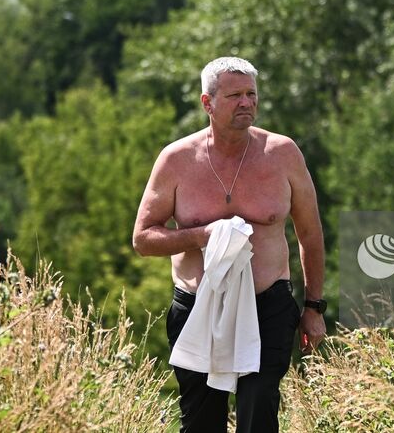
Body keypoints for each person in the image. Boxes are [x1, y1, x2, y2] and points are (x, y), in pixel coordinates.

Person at [133, 56, 326, 433]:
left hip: (267, 302)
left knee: (259, 410)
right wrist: (201, 235)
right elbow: (142, 238)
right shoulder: (177, 159)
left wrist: (314, 307)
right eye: (235, 95)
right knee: (201, 421)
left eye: (251, 94)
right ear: (208, 103)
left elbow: (310, 234)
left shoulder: (282, 153)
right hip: (197, 305)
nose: (246, 103)